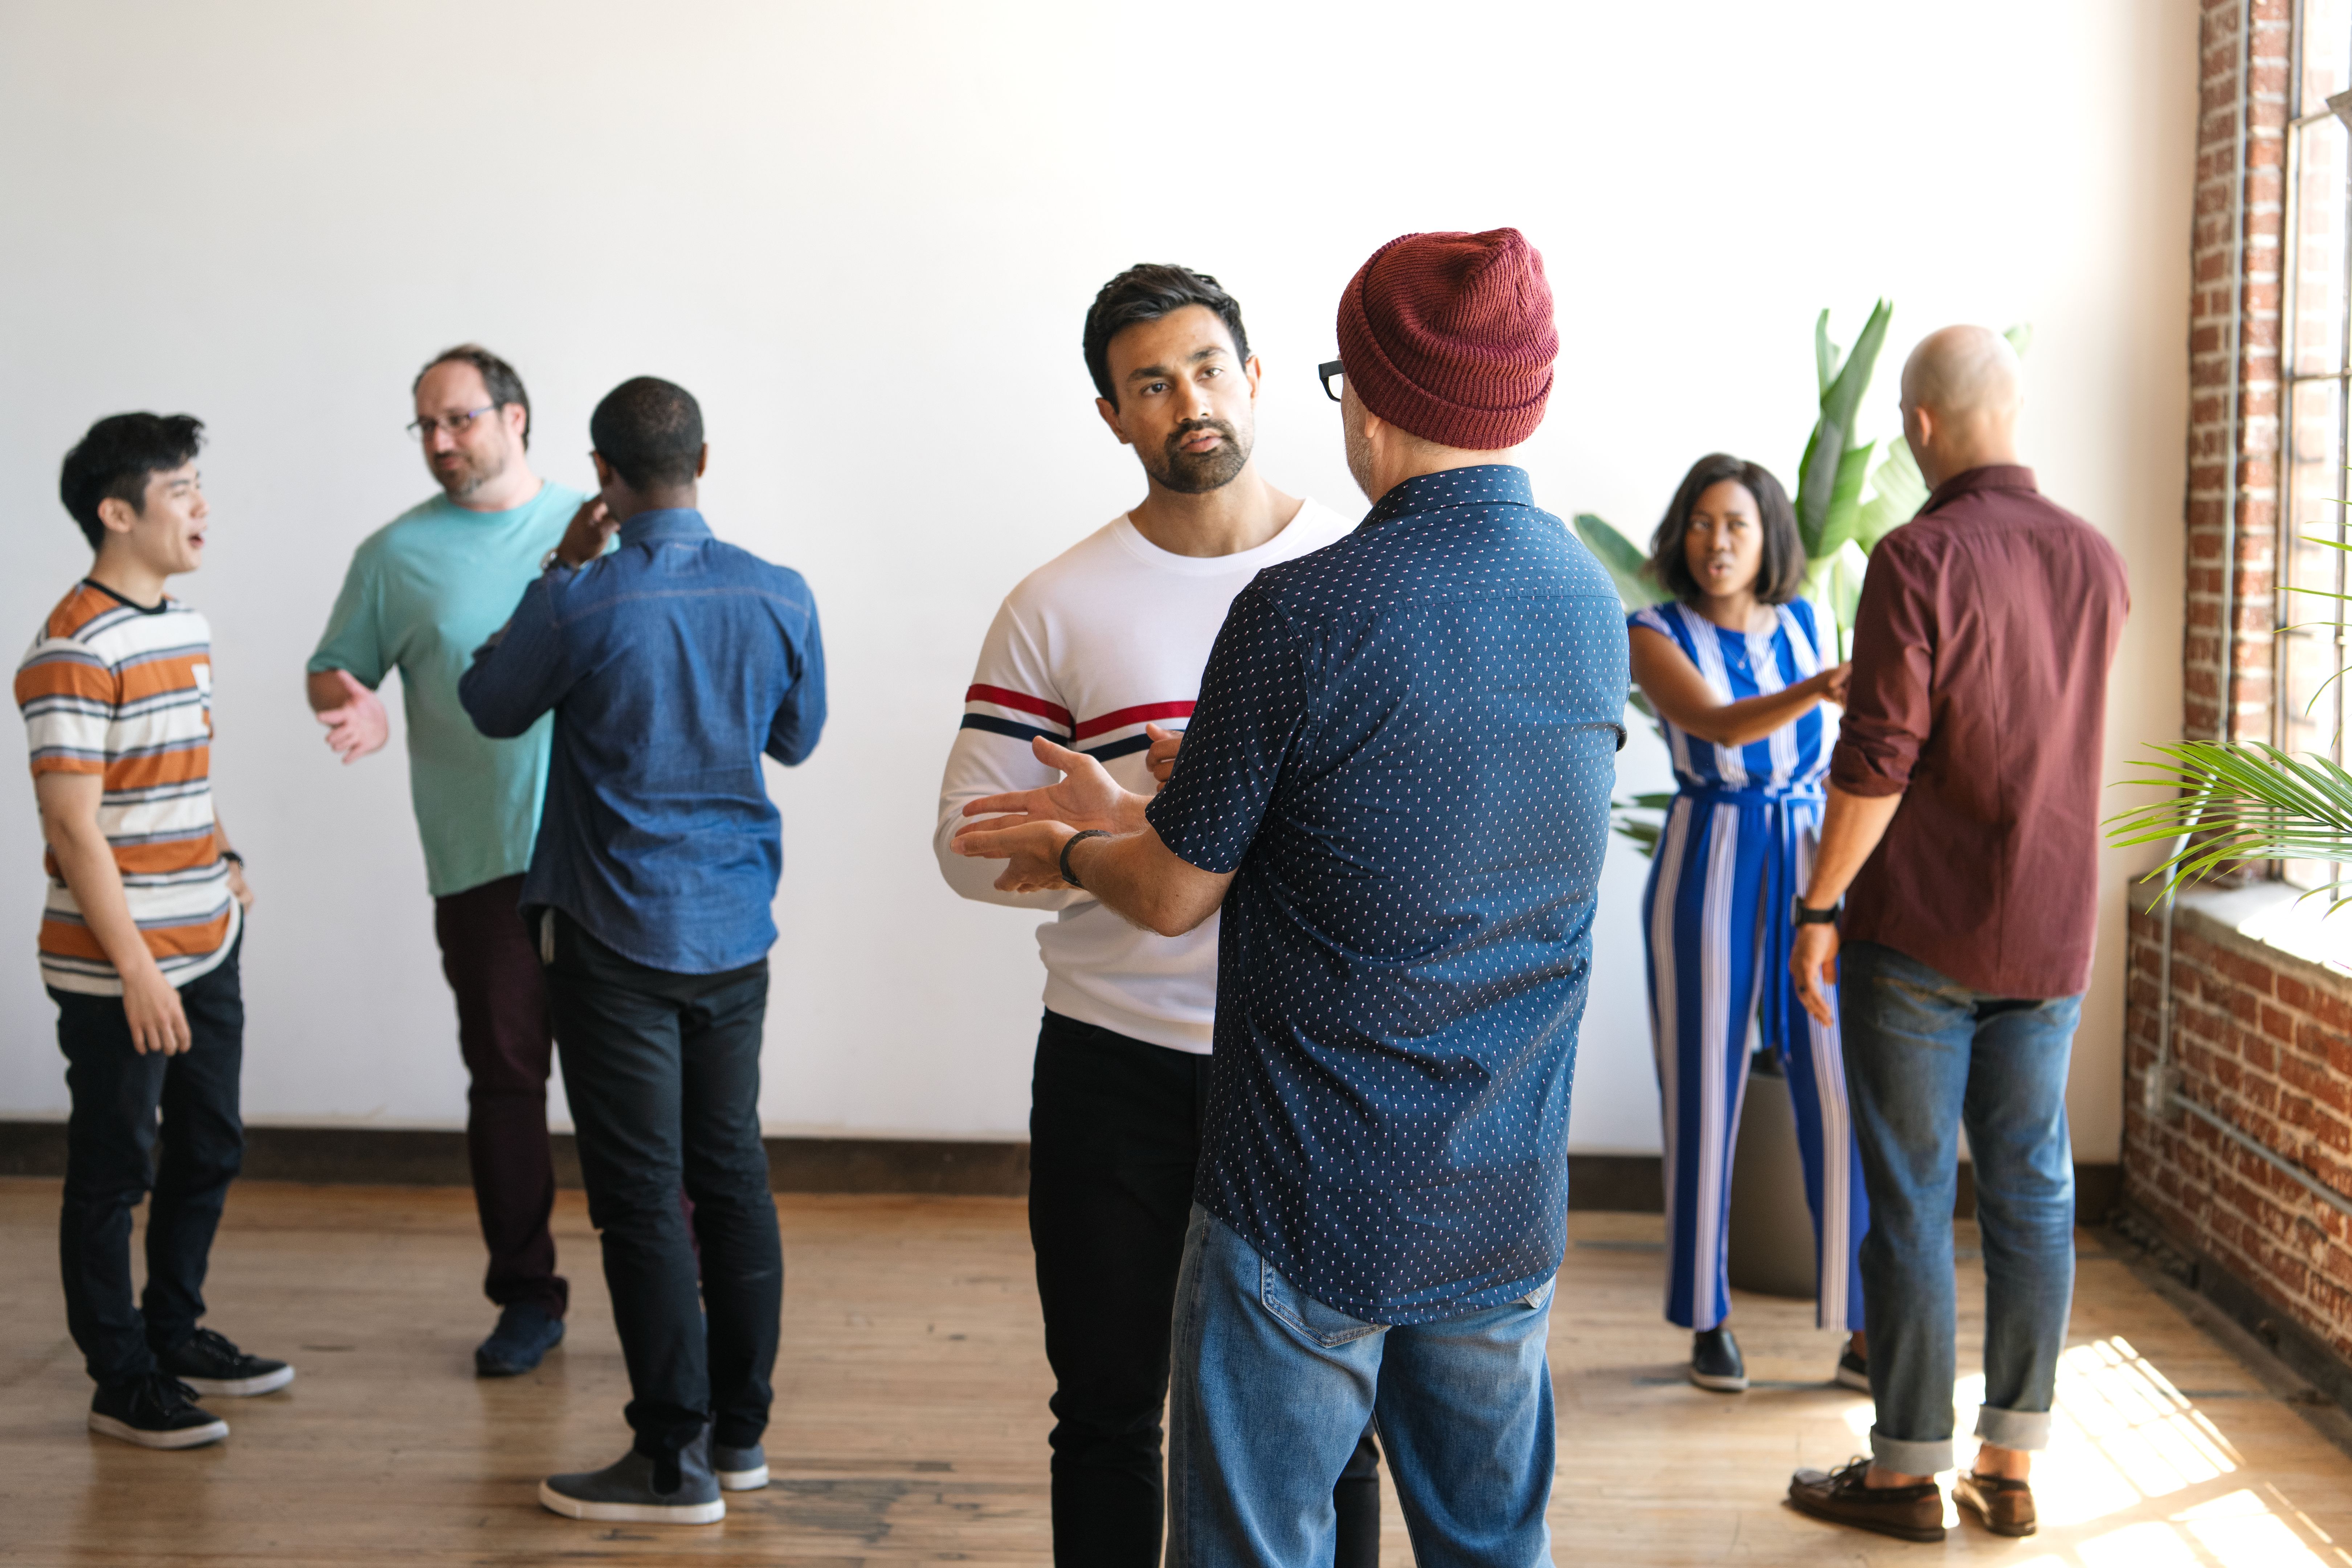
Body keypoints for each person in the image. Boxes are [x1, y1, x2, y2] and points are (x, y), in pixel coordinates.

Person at [955, 229, 1625, 1568]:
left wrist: (1085, 846)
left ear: (1367, 400)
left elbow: (1170, 896)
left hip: (1310, 1187)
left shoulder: (1302, 609)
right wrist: (1197, 788)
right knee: (1493, 1544)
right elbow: (1420, 836)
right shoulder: (1587, 600)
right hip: (1500, 1180)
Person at [933, 263, 1373, 1567]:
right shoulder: (1057, 602)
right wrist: (1121, 833)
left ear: (1256, 376)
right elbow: (966, 846)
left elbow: (1406, 834)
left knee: (1335, 1421)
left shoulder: (1354, 571)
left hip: (1310, 1060)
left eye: (1208, 368)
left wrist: (1192, 814)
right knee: (1108, 1409)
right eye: (1151, 384)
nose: (1190, 402)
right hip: (1114, 1062)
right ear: (1113, 415)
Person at [460, 375, 826, 1526]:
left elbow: (489, 703)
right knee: (732, 1176)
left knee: (640, 1199)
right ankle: (740, 1438)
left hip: (613, 937)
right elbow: (798, 737)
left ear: (602, 477)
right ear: (703, 462)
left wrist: (559, 567)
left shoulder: (581, 600)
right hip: (733, 932)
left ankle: (670, 1464)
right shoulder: (781, 592)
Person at [1785, 326, 2128, 1544]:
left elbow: (1880, 755)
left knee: (1914, 1195)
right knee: (2033, 1191)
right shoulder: (2096, 560)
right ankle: (2011, 1464)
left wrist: (1819, 906)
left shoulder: (1916, 555)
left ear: (1919, 427)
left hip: (1921, 933)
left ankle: (1904, 1475)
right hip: (2049, 928)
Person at [306, 344, 591, 1377]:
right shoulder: (395, 554)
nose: (439, 441)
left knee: (639, 1085)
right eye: (425, 425)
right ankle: (526, 1298)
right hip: (480, 864)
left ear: (516, 417)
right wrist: (358, 701)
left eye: (459, 418)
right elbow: (332, 667)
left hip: (606, 861)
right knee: (506, 1083)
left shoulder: (594, 526)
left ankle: (680, 1286)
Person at [15, 413, 288, 1449]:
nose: (202, 505)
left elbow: (178, 773)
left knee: (210, 1144)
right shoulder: (72, 650)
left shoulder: (184, 626)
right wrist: (136, 970)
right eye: (180, 489)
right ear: (116, 513)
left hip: (208, 939)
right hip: (117, 968)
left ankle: (174, 1333)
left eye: (197, 484)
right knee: (114, 1170)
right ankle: (120, 1378)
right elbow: (72, 827)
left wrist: (226, 854)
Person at [1627, 453, 1867, 1395]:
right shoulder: (1653, 631)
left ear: (1769, 537)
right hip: (1709, 862)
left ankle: (1864, 1324)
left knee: (1836, 1087)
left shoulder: (1809, 620)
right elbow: (1718, 725)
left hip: (1810, 869)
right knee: (1703, 1092)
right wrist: (1818, 690)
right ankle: (1707, 1317)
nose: (1717, 542)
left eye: (1736, 524)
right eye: (1701, 523)